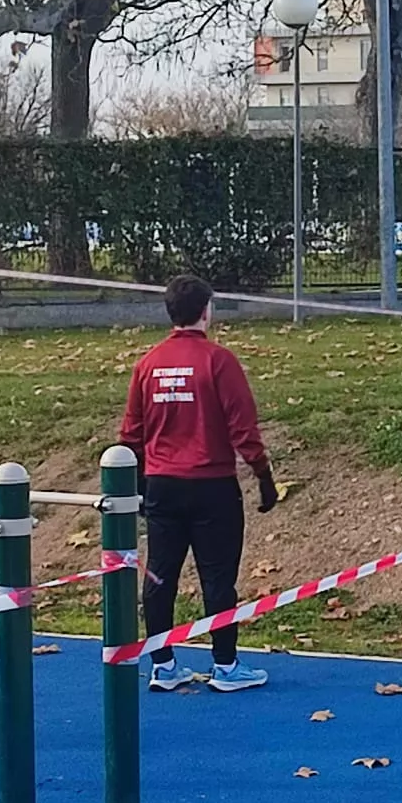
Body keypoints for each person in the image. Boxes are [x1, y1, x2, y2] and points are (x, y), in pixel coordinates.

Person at [119, 273, 280, 693]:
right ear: (206, 311)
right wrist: (263, 476)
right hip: (212, 485)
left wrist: (138, 484)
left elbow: (131, 433)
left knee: (159, 576)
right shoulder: (218, 361)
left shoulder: (147, 364)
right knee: (218, 577)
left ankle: (163, 664)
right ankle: (225, 664)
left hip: (161, 484)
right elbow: (243, 427)